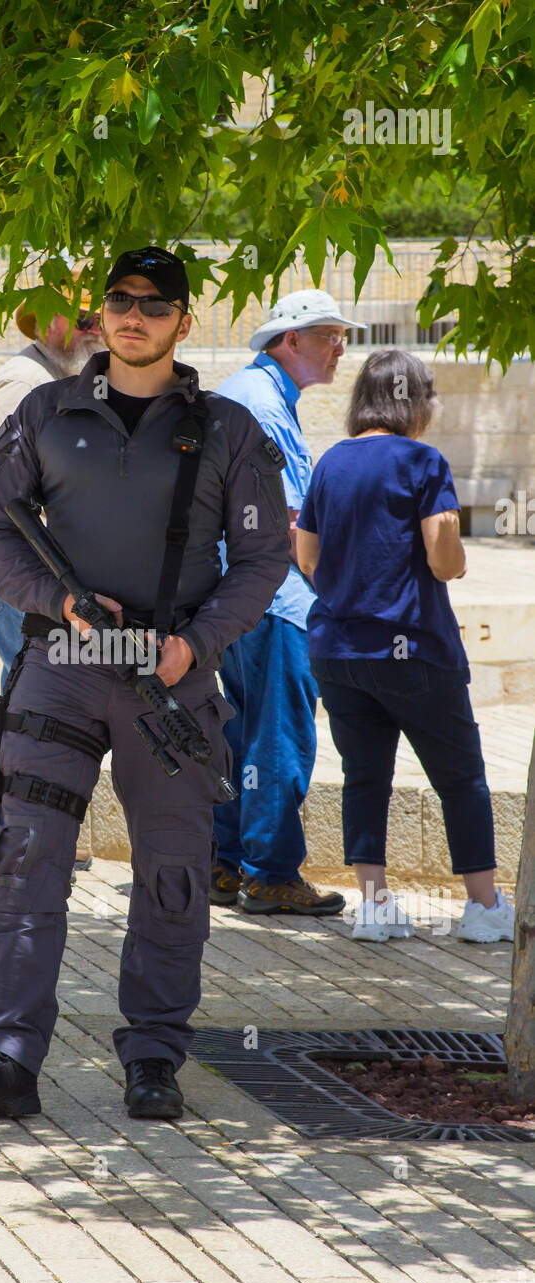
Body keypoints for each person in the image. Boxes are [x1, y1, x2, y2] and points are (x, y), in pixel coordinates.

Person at [0, 246, 291, 1121]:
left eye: (154, 304)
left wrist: (195, 645)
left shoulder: (230, 432)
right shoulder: (47, 412)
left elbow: (264, 557)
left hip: (169, 685)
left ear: (183, 320)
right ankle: (6, 1058)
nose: (134, 316)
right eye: (120, 301)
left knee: (172, 874)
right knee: (24, 863)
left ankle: (156, 1056)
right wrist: (56, 598)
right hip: (61, 671)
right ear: (101, 312)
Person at [295, 348, 514, 944]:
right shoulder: (423, 461)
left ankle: (374, 906)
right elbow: (443, 560)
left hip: (339, 651)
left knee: (365, 776)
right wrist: (457, 556)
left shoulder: (331, 462)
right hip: (414, 650)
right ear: (414, 401)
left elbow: (307, 556)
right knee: (461, 777)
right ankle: (484, 907)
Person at [209, 289, 366, 917]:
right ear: (290, 340)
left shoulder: (254, 393)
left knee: (239, 732)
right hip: (274, 599)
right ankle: (271, 874)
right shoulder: (264, 405)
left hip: (239, 597)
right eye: (330, 335)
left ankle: (223, 865)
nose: (340, 348)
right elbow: (293, 519)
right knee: (279, 737)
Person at [0, 276, 103, 688]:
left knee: (32, 690)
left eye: (97, 320)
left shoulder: (52, 377)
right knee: (36, 689)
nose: (95, 331)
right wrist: (36, 562)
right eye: (83, 320)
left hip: (27, 578)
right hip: (13, 577)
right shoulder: (26, 381)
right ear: (46, 318)